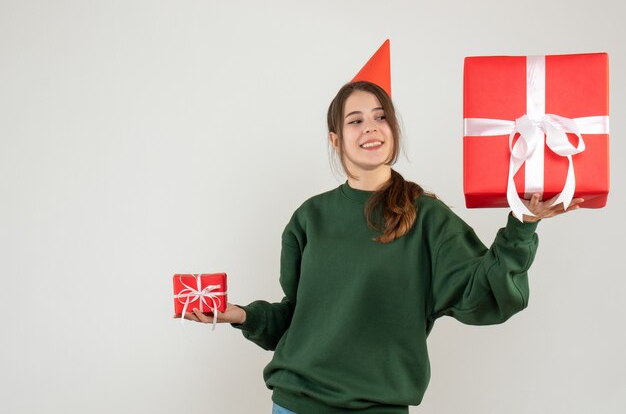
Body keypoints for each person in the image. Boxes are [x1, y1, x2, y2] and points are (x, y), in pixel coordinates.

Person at [182, 81, 583, 413]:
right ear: (335, 139)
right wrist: (241, 314)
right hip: (295, 403)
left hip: (380, 406)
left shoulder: (428, 218)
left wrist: (522, 227)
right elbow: (296, 317)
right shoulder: (309, 218)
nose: (370, 127)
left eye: (380, 117)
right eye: (355, 120)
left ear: (393, 130)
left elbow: (484, 291)